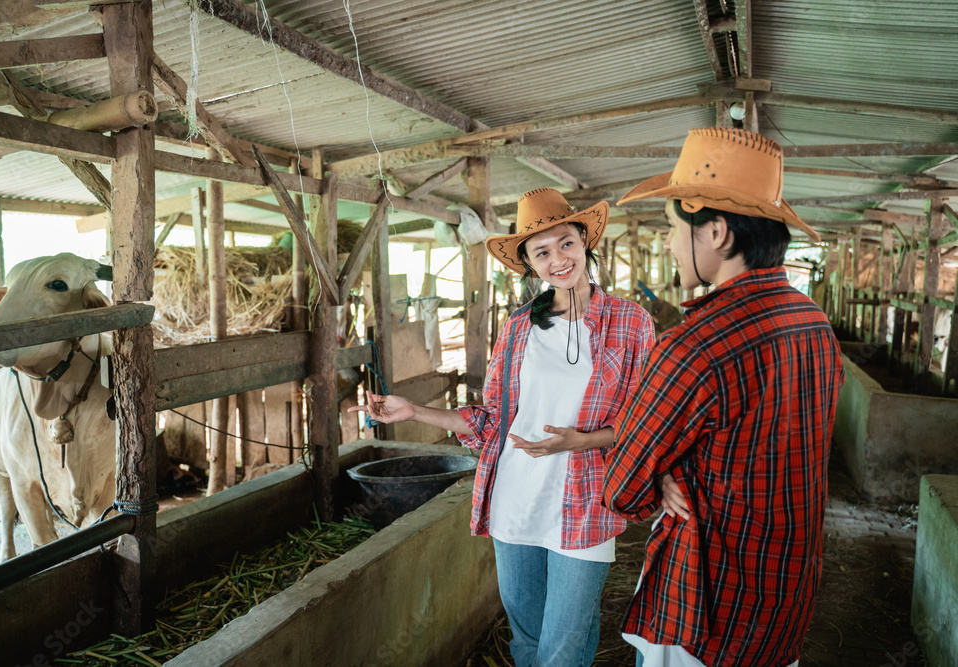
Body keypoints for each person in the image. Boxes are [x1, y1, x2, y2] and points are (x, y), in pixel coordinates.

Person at [351, 187, 655, 667]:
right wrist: (414, 412)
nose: (558, 259)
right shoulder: (518, 329)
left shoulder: (631, 323)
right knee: (528, 642)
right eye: (543, 252)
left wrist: (583, 441)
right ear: (531, 264)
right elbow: (491, 420)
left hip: (585, 503)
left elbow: (645, 422)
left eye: (567, 243)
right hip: (516, 500)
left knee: (566, 647)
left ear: (585, 243)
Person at [602, 127, 845, 667]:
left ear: (715, 231)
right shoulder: (814, 325)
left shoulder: (692, 347)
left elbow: (622, 486)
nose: (667, 243)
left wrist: (661, 476)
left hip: (706, 609)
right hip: (784, 597)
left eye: (671, 227)